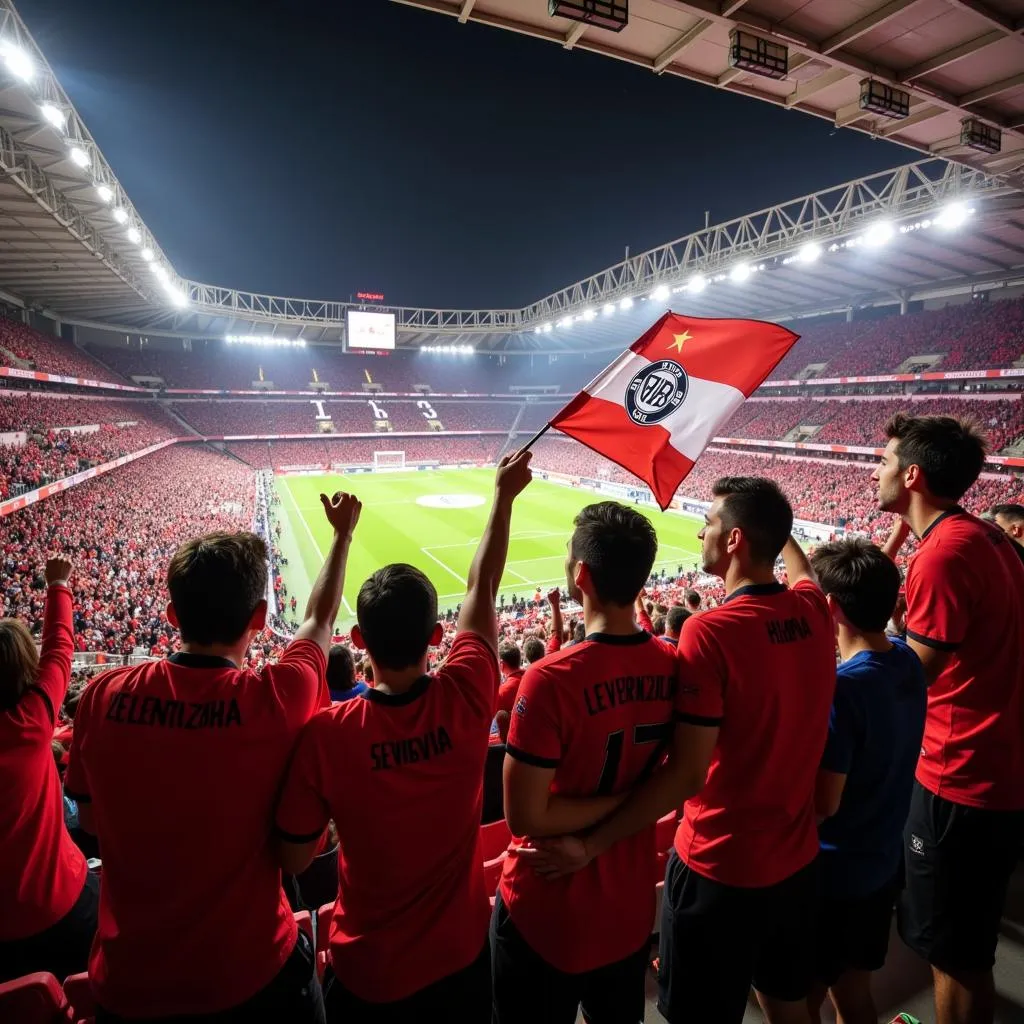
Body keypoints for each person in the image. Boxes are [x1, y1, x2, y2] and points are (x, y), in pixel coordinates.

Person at [533, 477, 836, 1024]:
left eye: (712, 525)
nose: (701, 531)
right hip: (797, 864)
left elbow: (688, 773)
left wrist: (594, 843)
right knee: (791, 1007)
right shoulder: (815, 611)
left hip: (721, 868)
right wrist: (779, 523)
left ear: (736, 539)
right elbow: (807, 575)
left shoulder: (709, 631)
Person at [66, 492, 360, 1023]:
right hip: (255, 977)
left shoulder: (100, 697)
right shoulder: (279, 695)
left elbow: (87, 819)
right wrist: (341, 537)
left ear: (174, 612)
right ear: (259, 616)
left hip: (130, 984)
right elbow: (318, 617)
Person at [273, 452, 533, 1024]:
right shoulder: (468, 694)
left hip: (369, 973)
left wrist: (342, 538)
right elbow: (481, 588)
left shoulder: (327, 735)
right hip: (462, 958)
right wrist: (504, 497)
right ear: (437, 635)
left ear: (359, 639)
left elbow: (295, 853)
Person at [492, 501, 676, 1024]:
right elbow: (679, 777)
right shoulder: (672, 664)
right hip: (627, 906)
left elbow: (524, 818)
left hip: (545, 908)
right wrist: (636, 801)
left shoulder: (548, 680)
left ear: (581, 575)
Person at [875, 414, 1024, 1024]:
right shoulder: (987, 538)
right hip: (997, 766)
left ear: (912, 475)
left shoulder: (943, 556)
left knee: (955, 953)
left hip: (959, 778)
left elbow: (910, 680)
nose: (874, 472)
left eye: (883, 461)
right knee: (968, 943)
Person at [807, 539, 927, 1024]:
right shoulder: (905, 659)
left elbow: (824, 803)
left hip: (834, 876)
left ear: (830, 609)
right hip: (880, 866)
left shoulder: (845, 690)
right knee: (854, 996)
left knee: (800, 1002)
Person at [0, 556, 99, 984]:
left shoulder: (35, 720)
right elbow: (59, 649)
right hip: (61, 902)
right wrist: (58, 584)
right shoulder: (32, 720)